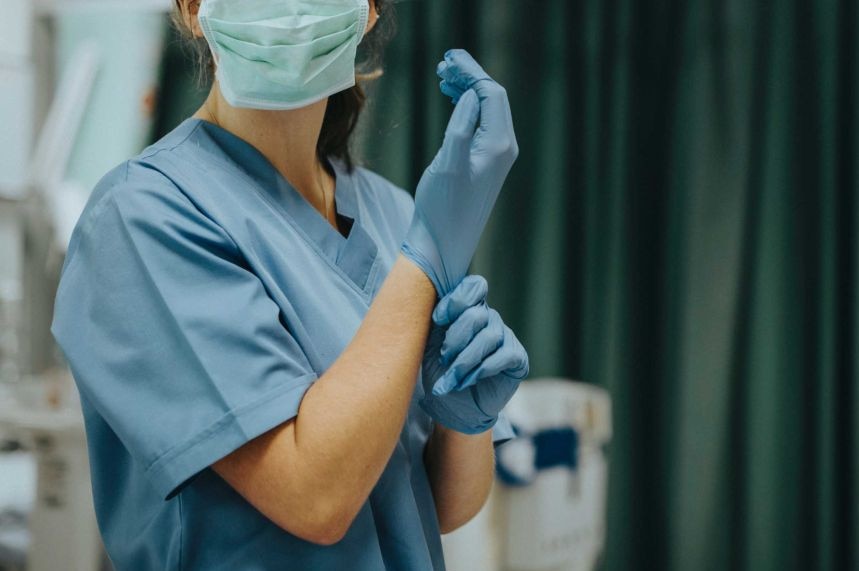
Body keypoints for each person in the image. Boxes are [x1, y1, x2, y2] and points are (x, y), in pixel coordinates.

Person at [51, 0, 528, 569]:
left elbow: (443, 506)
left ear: (369, 11)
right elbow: (316, 497)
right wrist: (426, 257)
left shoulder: (395, 214)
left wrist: (465, 420)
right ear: (193, 8)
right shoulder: (143, 217)